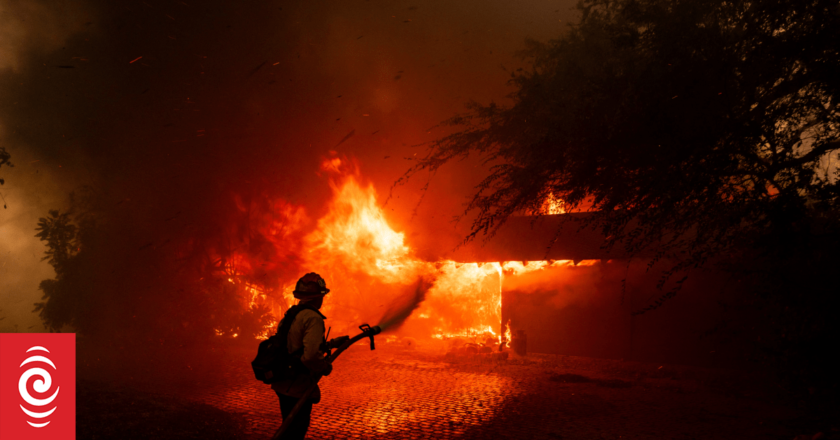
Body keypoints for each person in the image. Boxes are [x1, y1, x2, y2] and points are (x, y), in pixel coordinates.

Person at [271, 272, 333, 440]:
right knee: (295, 431)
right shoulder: (313, 318)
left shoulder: (292, 314)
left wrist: (328, 344)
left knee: (288, 426)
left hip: (283, 381)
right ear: (318, 297)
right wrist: (325, 367)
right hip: (297, 384)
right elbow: (311, 356)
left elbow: (294, 343)